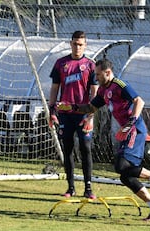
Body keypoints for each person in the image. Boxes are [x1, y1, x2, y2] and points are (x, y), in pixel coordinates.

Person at [57, 58, 150, 221]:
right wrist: (72, 107)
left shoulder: (119, 84)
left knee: (120, 166)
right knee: (125, 176)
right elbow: (91, 107)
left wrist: (131, 122)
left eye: (98, 74)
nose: (96, 78)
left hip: (135, 130)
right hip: (126, 132)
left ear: (107, 72)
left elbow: (139, 101)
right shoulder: (103, 91)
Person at [48, 31, 98, 199]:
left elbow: (96, 94)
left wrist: (90, 116)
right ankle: (70, 187)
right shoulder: (61, 63)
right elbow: (55, 88)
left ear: (85, 45)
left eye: (81, 44)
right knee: (68, 149)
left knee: (85, 148)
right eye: (75, 43)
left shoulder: (91, 65)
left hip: (83, 114)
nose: (77, 47)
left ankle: (88, 188)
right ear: (70, 43)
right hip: (65, 113)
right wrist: (51, 111)